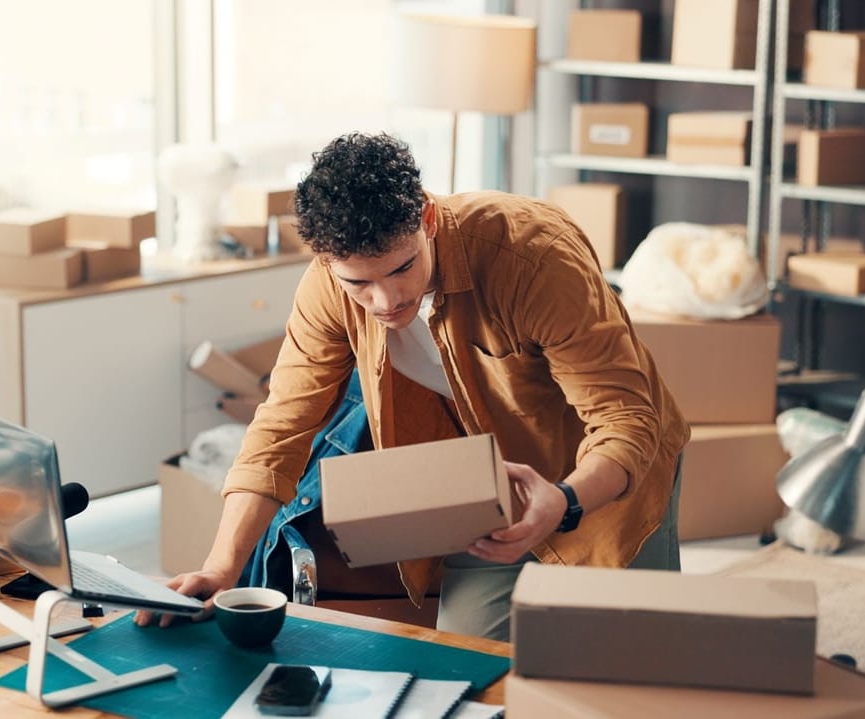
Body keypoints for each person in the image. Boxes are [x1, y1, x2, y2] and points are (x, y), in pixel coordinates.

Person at [136, 131, 689, 641]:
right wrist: (219, 568)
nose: (386, 301)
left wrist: (565, 501)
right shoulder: (326, 288)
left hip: (604, 474)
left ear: (426, 217)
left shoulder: (532, 256)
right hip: (490, 487)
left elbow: (624, 420)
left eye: (401, 269)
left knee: (629, 659)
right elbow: (281, 428)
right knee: (468, 662)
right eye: (359, 283)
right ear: (326, 260)